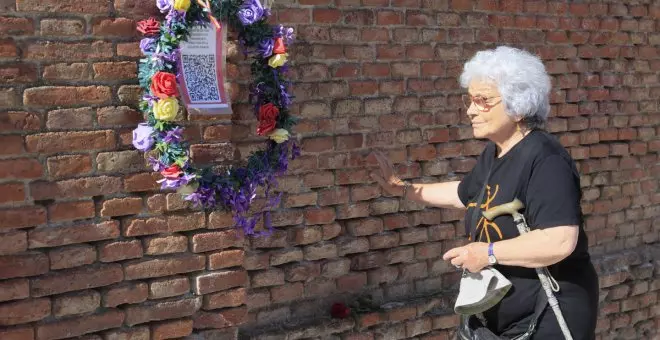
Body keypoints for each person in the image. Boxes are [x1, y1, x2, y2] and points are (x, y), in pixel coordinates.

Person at [370, 46, 598, 339]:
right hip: (505, 316)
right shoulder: (496, 153)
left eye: (484, 101)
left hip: (547, 316)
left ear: (519, 104)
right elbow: (465, 195)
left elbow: (559, 240)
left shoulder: (545, 158)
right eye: (471, 99)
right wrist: (403, 189)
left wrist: (488, 253)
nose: (471, 110)